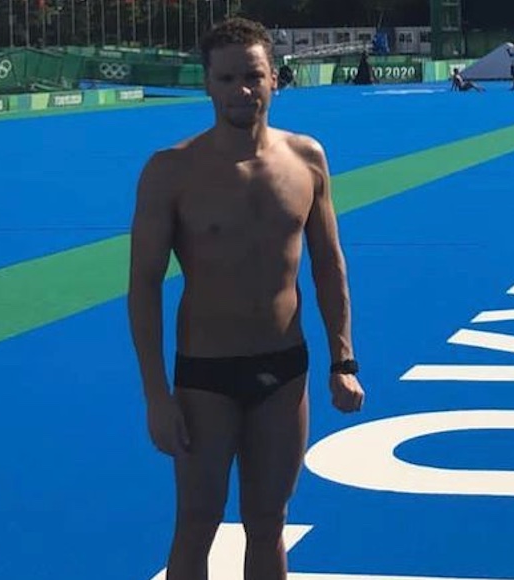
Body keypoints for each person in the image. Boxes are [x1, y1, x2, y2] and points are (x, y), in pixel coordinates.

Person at [127, 17, 365, 580]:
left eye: (253, 76)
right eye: (228, 78)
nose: (242, 90)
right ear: (207, 83)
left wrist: (343, 360)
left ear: (274, 78)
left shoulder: (307, 159)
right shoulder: (171, 172)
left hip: (284, 370)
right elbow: (144, 286)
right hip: (205, 376)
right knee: (197, 523)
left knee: (267, 522)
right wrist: (156, 395)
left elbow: (328, 265)